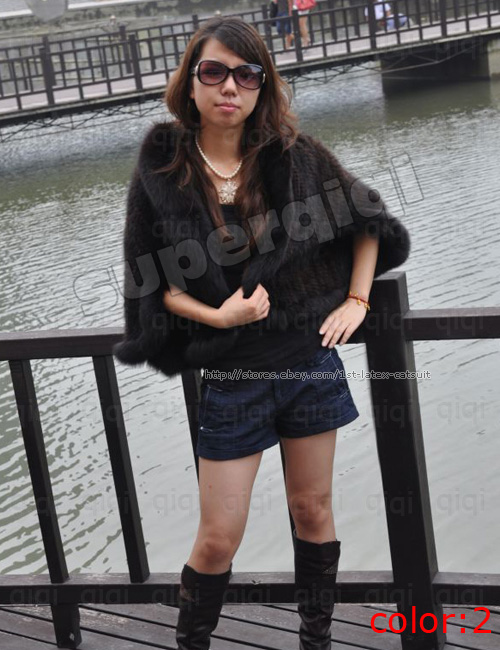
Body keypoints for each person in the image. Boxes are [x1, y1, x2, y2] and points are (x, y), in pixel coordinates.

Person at [113, 15, 410, 650]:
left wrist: (358, 299)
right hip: (232, 375)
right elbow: (150, 282)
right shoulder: (163, 170)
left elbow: (369, 219)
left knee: (313, 510)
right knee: (217, 537)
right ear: (191, 82)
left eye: (247, 75)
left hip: (308, 362)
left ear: (262, 86)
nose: (230, 87)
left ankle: (315, 640)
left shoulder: (294, 155)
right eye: (214, 72)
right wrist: (220, 317)